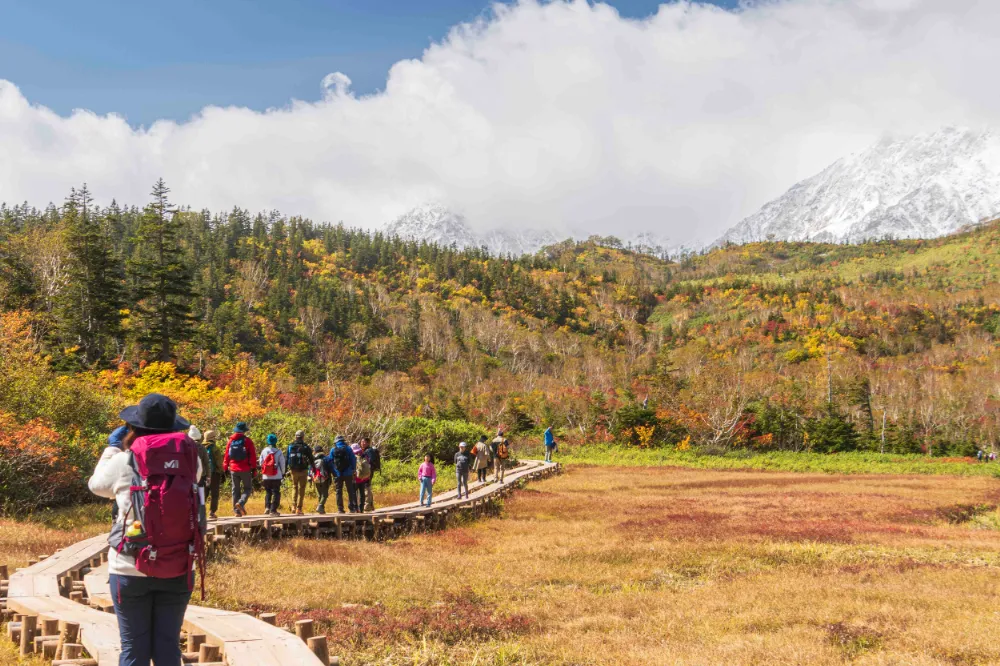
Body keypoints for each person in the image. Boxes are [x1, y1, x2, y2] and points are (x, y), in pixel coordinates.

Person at [88, 393, 203, 666]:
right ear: (174, 428)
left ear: (134, 427)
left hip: (129, 567)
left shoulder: (123, 461)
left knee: (133, 649)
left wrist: (112, 449)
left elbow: (96, 486)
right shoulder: (191, 461)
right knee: (168, 649)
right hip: (179, 565)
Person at [223, 422, 257, 517]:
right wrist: (254, 468)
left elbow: (226, 455)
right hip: (245, 469)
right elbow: (253, 456)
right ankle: (241, 503)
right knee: (248, 488)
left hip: (233, 469)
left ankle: (237, 512)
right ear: (244, 431)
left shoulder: (230, 441)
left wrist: (225, 467)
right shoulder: (247, 441)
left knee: (235, 490)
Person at [285, 430, 314, 516]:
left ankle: (293, 506)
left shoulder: (290, 446)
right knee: (302, 488)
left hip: (293, 470)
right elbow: (311, 459)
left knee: (294, 486)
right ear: (303, 437)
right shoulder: (306, 447)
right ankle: (299, 508)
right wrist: (314, 468)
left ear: (295, 437)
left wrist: (285, 469)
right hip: (303, 470)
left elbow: (287, 458)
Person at [259, 433, 286, 516]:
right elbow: (282, 464)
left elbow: (261, 463)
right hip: (276, 476)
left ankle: (267, 507)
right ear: (275, 442)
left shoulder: (264, 451)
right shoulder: (279, 452)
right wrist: (283, 473)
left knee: (268, 492)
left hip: (266, 476)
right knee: (276, 492)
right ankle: (273, 510)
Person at [329, 435, 357, 513]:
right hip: (348, 473)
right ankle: (351, 508)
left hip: (337, 474)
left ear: (336, 442)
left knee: (338, 491)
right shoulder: (348, 449)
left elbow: (330, 461)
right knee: (350, 490)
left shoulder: (333, 450)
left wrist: (333, 471)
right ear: (343, 441)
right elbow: (353, 459)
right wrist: (353, 469)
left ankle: (340, 509)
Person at [107, 424, 129, 522]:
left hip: (120, 456)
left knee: (119, 492)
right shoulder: (125, 430)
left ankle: (116, 519)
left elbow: (112, 439)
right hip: (124, 456)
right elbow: (113, 440)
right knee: (120, 493)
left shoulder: (122, 429)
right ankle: (116, 519)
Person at [202, 430, 224, 520]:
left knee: (204, 493)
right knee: (214, 494)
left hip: (203, 474)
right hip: (214, 474)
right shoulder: (215, 448)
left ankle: (201, 512)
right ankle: (212, 512)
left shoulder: (200, 447)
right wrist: (222, 472)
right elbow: (219, 462)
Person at [311, 445, 333, 514]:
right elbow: (331, 468)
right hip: (325, 478)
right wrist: (335, 475)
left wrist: (310, 479)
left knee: (320, 494)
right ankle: (320, 506)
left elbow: (310, 469)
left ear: (315, 451)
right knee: (325, 494)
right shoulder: (326, 458)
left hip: (316, 478)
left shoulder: (313, 459)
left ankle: (321, 510)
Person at [353, 442, 372, 513]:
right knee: (362, 493)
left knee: (354, 493)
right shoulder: (364, 455)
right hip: (364, 478)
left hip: (355, 478)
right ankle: (361, 509)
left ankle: (355, 509)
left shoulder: (353, 456)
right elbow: (369, 464)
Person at [359, 437, 377, 511]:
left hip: (368, 472)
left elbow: (371, 462)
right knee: (367, 487)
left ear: (368, 443)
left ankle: (367, 506)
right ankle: (371, 505)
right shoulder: (366, 451)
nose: (362, 443)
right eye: (361, 442)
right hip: (367, 472)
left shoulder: (369, 451)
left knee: (367, 487)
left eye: (364, 442)